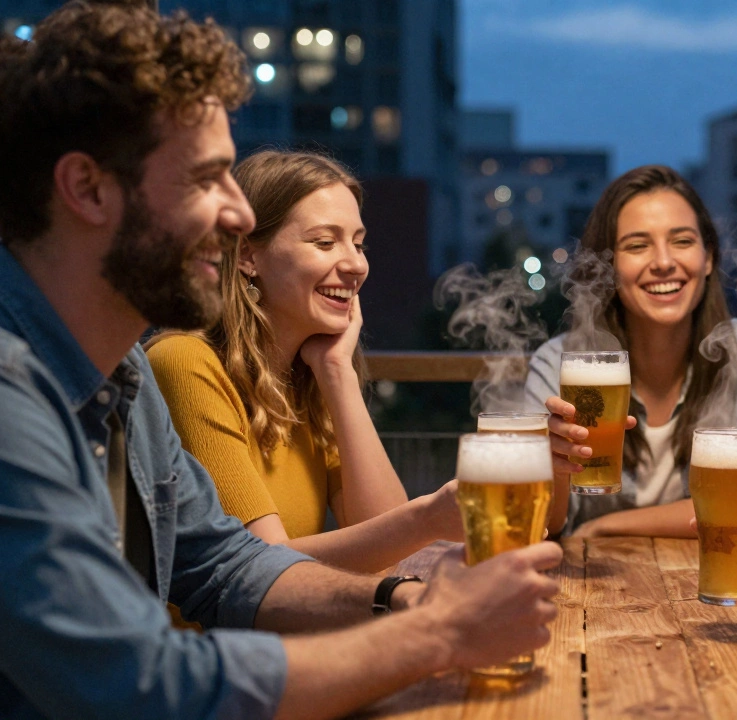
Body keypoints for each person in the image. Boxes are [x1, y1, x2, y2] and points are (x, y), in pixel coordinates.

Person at [0, 5, 559, 719]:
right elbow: (137, 682)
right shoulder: (12, 391)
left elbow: (225, 565)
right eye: (208, 179)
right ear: (88, 188)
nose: (237, 216)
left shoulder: (121, 378)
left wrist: (398, 596)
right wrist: (439, 631)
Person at [147, 150, 461, 574]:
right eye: (325, 242)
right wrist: (427, 518)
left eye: (359, 243)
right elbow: (258, 567)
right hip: (211, 641)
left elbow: (389, 545)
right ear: (246, 256)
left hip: (293, 634)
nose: (355, 265)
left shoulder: (308, 380)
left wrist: (338, 375)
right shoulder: (184, 362)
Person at [526, 165, 737, 537]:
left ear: (708, 257)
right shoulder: (559, 363)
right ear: (608, 267)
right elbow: (543, 524)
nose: (662, 262)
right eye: (637, 245)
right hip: (587, 587)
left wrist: (605, 527)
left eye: (682, 241)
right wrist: (554, 466)